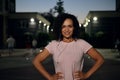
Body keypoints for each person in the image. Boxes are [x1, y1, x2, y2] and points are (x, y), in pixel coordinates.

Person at [33, 13, 104, 80]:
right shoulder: (53, 44)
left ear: (74, 28)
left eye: (70, 26)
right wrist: (50, 77)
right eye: (63, 26)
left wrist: (86, 75)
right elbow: (36, 61)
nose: (67, 30)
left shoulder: (81, 43)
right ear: (59, 29)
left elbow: (100, 59)